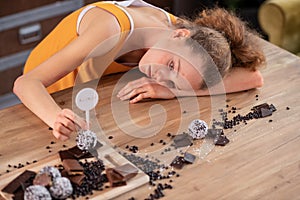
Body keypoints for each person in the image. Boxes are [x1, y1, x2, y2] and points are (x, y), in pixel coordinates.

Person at [13, 0, 265, 141]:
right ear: (179, 35)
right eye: (171, 65)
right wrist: (56, 118)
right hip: (49, 94)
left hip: (89, 97)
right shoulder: (111, 30)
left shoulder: (180, 41)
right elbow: (26, 83)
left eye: (174, 81)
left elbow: (254, 77)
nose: (160, 76)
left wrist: (174, 92)